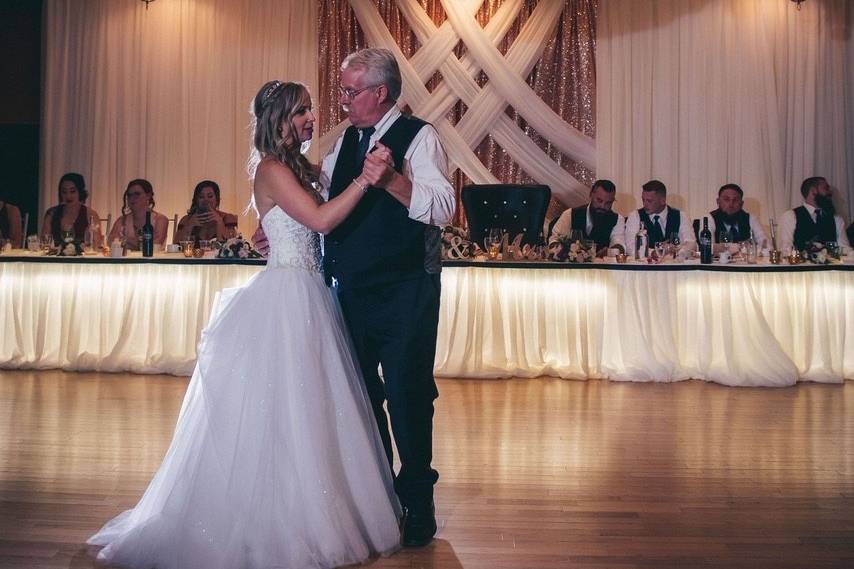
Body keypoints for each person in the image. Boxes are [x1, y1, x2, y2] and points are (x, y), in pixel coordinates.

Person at [88, 81, 401, 568]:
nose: (311, 118)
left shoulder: (296, 167)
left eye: (310, 110)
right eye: (301, 112)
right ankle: (277, 520)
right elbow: (320, 220)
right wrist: (365, 179)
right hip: (287, 298)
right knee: (282, 414)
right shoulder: (274, 169)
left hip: (311, 294)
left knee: (309, 414)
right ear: (278, 120)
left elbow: (301, 217)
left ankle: (310, 507)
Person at [254, 48, 455, 547]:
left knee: (409, 395)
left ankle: (418, 499)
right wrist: (274, 229)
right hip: (348, 292)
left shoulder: (419, 136)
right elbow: (317, 201)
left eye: (349, 92)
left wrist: (391, 180)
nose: (341, 102)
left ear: (379, 93)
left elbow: (445, 208)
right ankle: (380, 497)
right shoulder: (345, 143)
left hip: (407, 288)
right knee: (361, 396)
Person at [547, 179, 625, 255]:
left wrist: (610, 252)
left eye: (608, 203)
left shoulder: (617, 219)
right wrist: (564, 252)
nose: (602, 206)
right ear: (591, 194)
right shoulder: (570, 214)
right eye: (599, 200)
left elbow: (618, 243)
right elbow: (554, 239)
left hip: (603, 266)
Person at [624, 179, 696, 256]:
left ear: (663, 201)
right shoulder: (635, 216)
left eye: (649, 201)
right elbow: (630, 247)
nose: (645, 204)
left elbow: (691, 243)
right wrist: (655, 252)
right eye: (643, 200)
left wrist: (678, 251)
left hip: (673, 265)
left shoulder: (681, 216)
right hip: (646, 266)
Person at [778, 176, 851, 253]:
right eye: (826, 188)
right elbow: (785, 250)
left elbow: (844, 249)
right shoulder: (790, 216)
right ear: (813, 191)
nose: (830, 192)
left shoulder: (836, 219)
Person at [107, 179, 169, 250]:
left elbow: (155, 246)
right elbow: (110, 244)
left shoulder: (160, 220)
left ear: (148, 196)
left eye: (137, 194)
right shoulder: (121, 221)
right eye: (129, 195)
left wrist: (126, 240)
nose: (132, 198)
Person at [42, 172, 102, 246]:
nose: (68, 195)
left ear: (80, 192)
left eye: (72, 191)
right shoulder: (51, 213)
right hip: (55, 256)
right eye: (64, 192)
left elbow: (97, 243)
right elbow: (44, 241)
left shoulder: (91, 214)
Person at [172, 180, 239, 243]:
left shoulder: (228, 218)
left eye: (210, 196)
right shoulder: (186, 219)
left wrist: (219, 222)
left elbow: (231, 247)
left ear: (217, 199)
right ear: (196, 200)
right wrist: (190, 225)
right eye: (201, 197)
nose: (206, 200)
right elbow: (176, 246)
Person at [706, 183, 769, 249]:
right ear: (718, 201)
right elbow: (709, 248)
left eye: (735, 200)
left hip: (746, 259)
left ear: (741, 204)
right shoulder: (709, 219)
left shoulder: (751, 218)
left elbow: (767, 246)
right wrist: (743, 247)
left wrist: (729, 248)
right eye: (726, 199)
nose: (731, 204)